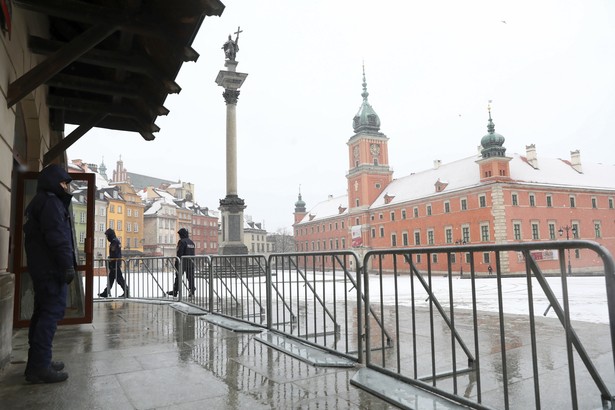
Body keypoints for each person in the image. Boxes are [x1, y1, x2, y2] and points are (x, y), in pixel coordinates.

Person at [23, 164, 76, 383]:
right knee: (49, 316)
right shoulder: (51, 203)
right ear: (55, 183)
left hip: (42, 268)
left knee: (42, 314)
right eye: (64, 183)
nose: (67, 187)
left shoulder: (42, 201)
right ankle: (40, 367)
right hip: (50, 269)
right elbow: (58, 238)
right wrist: (67, 265)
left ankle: (39, 362)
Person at [98, 228, 128, 297]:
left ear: (110, 235)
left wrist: (111, 260)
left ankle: (126, 291)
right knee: (111, 279)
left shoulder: (114, 242)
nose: (107, 237)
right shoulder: (116, 241)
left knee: (119, 279)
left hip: (114, 264)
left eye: (107, 236)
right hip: (115, 263)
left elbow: (114, 254)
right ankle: (106, 292)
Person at [167, 228, 196, 297]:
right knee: (190, 278)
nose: (179, 236)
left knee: (178, 277)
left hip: (182, 263)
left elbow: (180, 253)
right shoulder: (191, 242)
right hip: (190, 262)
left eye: (179, 234)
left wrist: (177, 262)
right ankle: (192, 291)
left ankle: (175, 291)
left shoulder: (182, 242)